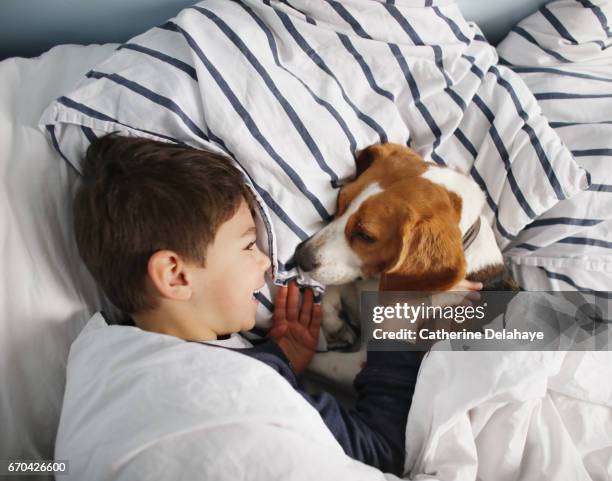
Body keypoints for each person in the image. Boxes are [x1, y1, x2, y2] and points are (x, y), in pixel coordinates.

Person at [73, 133, 482, 477]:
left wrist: (280, 360)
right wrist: (393, 326)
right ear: (176, 276)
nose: (268, 261)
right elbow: (385, 452)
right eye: (249, 245)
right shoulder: (245, 383)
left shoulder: (104, 363)